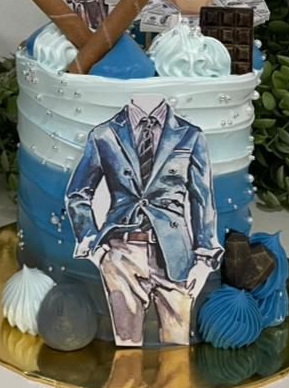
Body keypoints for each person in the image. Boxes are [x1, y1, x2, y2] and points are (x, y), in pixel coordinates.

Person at [65, 96, 222, 346]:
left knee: (177, 345)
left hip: (176, 255)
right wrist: (93, 244)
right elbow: (77, 194)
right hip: (121, 253)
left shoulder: (191, 135)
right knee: (126, 345)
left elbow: (203, 200)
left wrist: (204, 259)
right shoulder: (104, 134)